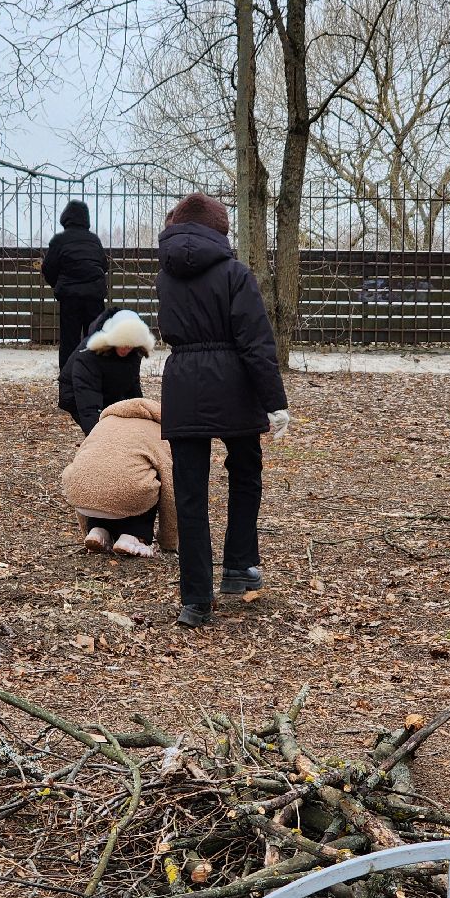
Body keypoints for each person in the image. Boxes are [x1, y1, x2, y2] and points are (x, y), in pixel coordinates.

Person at [156, 193, 290, 628]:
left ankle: (195, 599)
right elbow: (255, 343)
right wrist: (275, 402)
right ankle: (239, 565)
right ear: (220, 230)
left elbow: (170, 330)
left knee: (190, 491)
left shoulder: (166, 275)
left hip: (183, 384)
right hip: (233, 384)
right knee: (246, 470)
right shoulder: (236, 275)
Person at [61, 397, 177, 558]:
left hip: (79, 493)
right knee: (139, 478)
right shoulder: (157, 430)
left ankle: (98, 530)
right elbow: (171, 486)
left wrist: (85, 529)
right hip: (128, 495)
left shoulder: (103, 425)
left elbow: (81, 471)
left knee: (100, 475)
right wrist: (169, 541)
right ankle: (135, 536)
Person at [57, 307, 155, 435]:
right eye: (123, 342)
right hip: (75, 393)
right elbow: (88, 402)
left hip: (109, 390)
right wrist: (98, 437)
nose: (126, 348)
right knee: (105, 434)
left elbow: (132, 386)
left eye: (131, 344)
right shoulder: (89, 355)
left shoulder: (134, 353)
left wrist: (140, 415)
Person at [42, 200, 109, 370]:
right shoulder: (94, 240)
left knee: (69, 341)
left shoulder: (59, 240)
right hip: (94, 297)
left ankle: (68, 379)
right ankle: (93, 376)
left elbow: (48, 268)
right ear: (86, 219)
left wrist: (59, 285)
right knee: (95, 340)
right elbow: (104, 265)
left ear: (65, 218)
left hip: (70, 298)